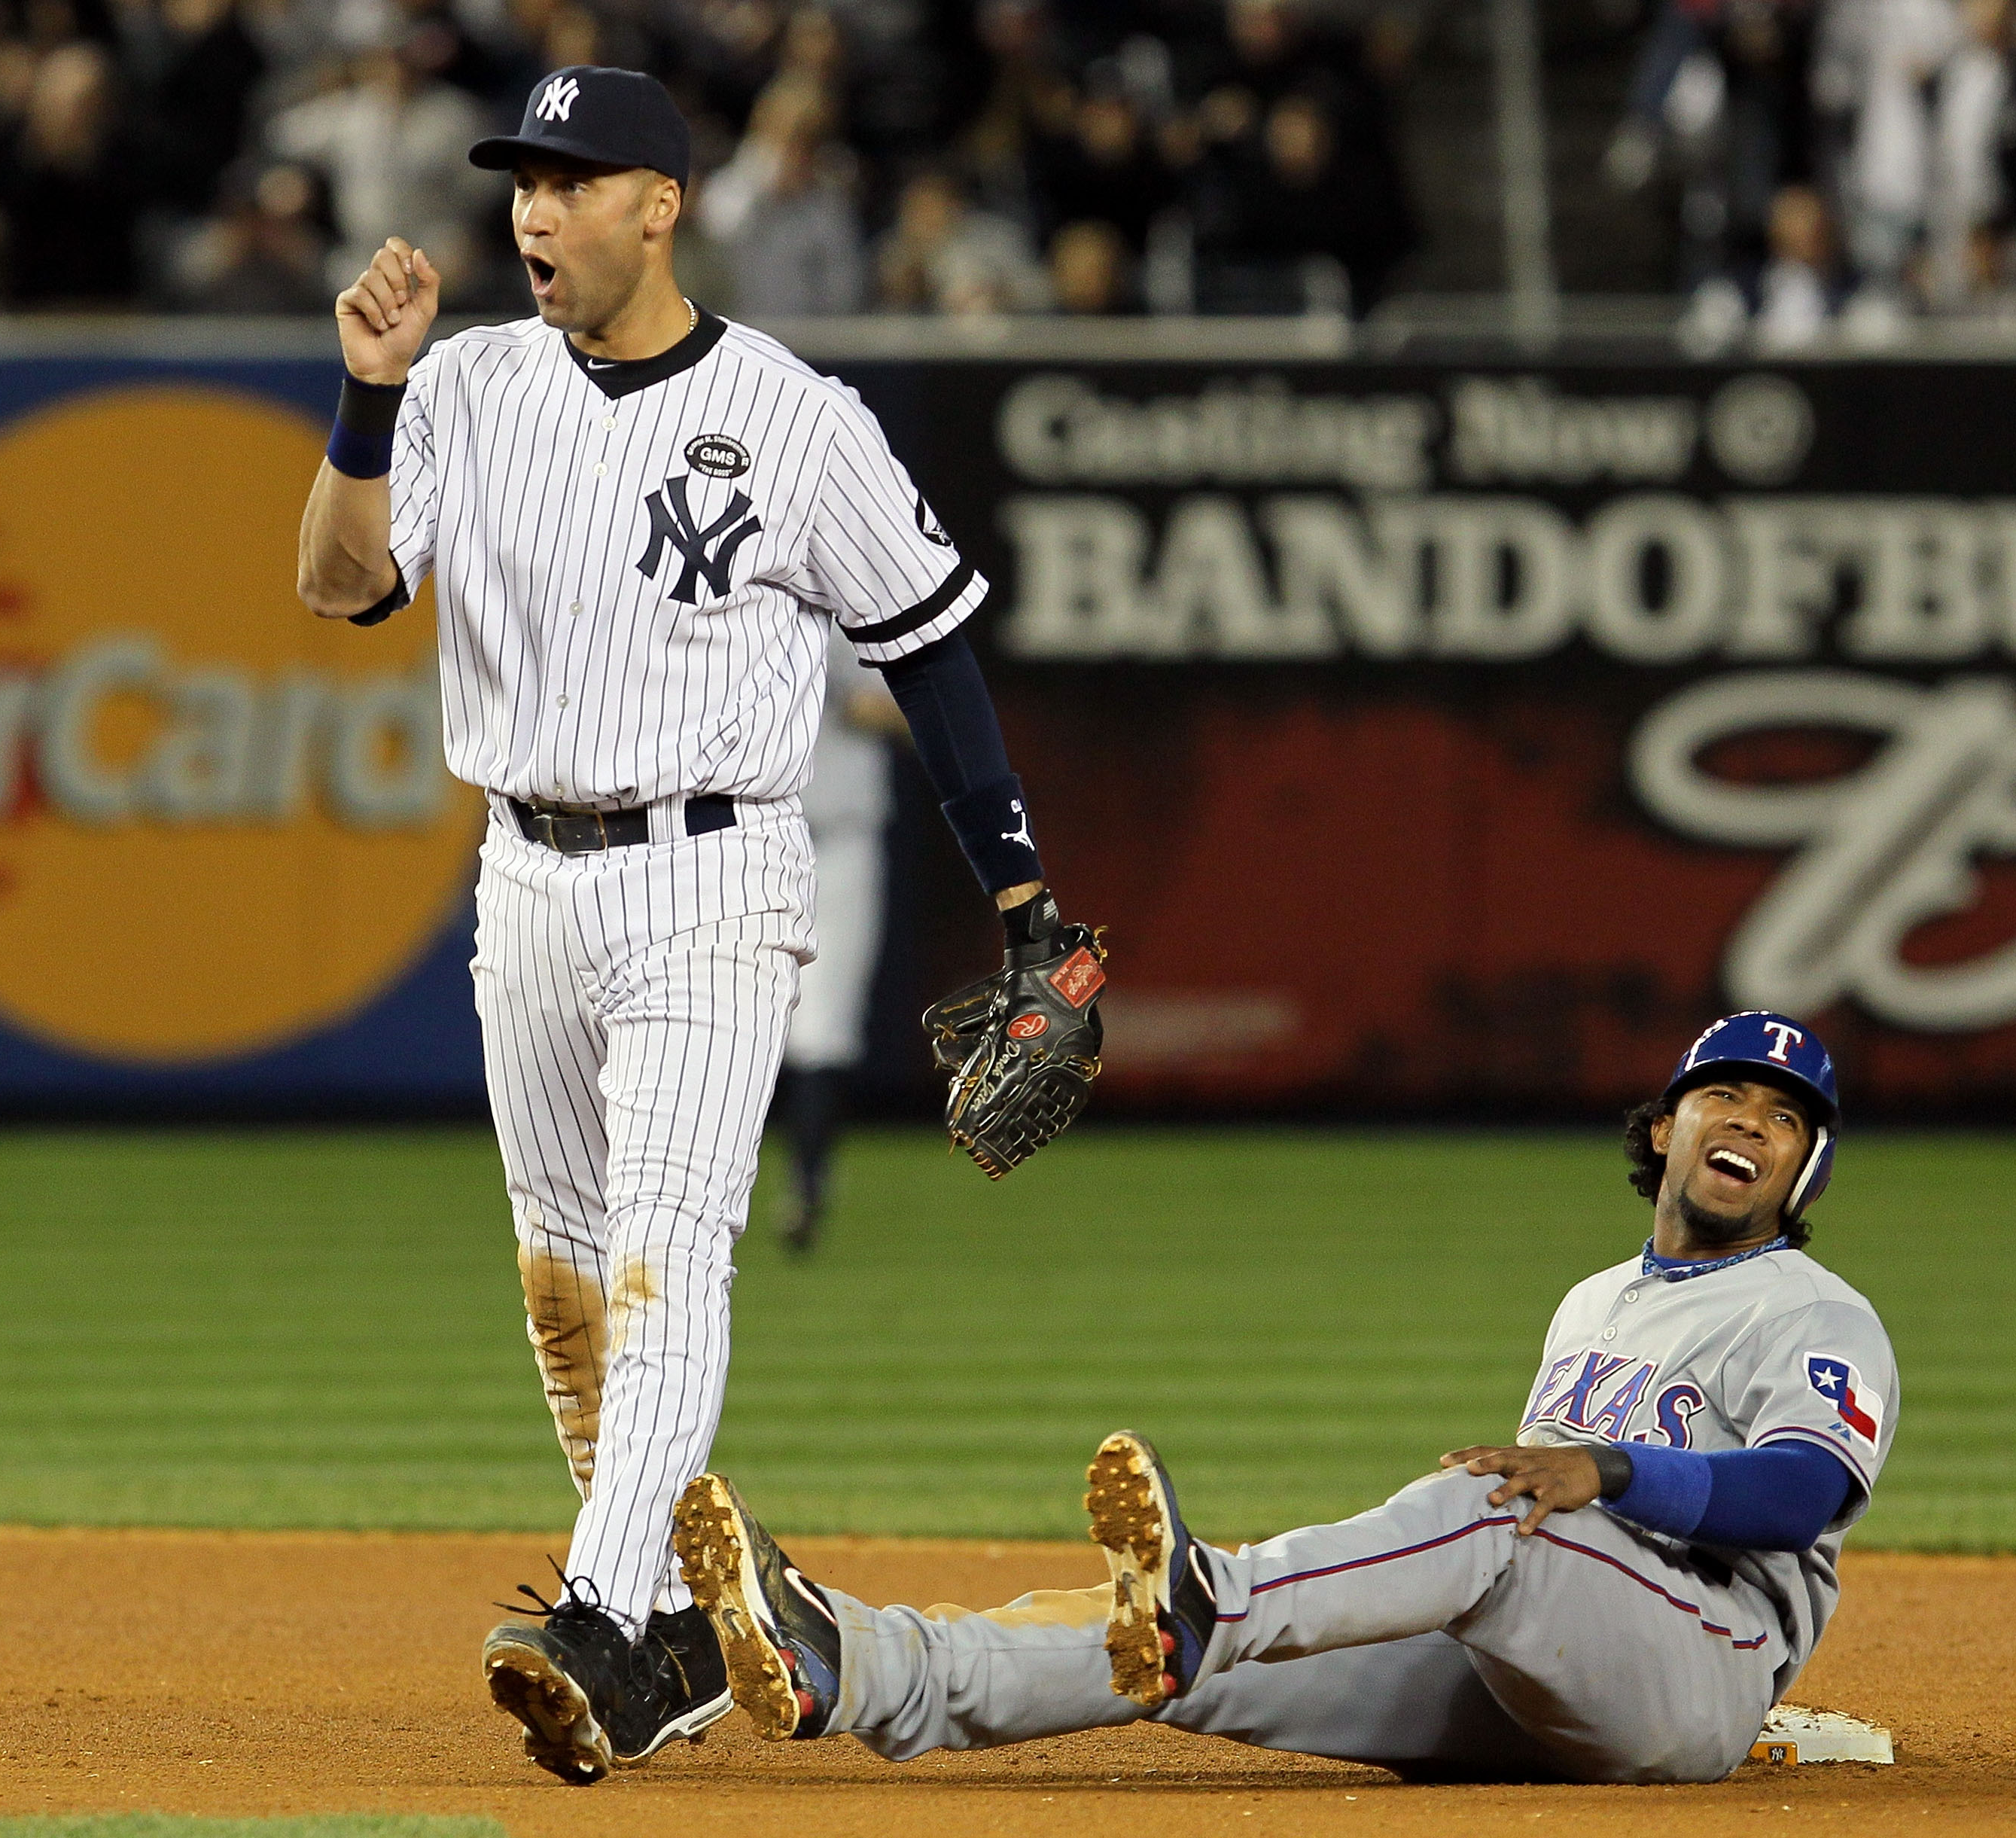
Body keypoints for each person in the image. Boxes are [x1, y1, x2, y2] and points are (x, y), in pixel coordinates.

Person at [293, 62, 1083, 1787]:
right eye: (523, 179)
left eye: (573, 181)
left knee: (669, 1243)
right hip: (525, 871)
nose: (533, 209)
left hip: (715, 872)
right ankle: (660, 1628)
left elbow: (928, 648)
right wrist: (365, 400)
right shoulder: (465, 384)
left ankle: (601, 1601)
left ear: (663, 204)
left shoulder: (795, 415)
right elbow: (342, 583)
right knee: (567, 1272)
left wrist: (1024, 900)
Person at [675, 1011, 1897, 1786]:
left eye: (1787, 1119)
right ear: (1669, 1126)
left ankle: (1213, 1597)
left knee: (1489, 1508)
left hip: (1702, 1666)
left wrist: (1613, 1473)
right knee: (1154, 1650)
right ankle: (857, 1667)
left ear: (1806, 1173)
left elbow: (1799, 1494)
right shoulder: (1594, 1304)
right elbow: (1547, 1562)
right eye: (1726, 1097)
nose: (1752, 1121)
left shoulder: (1812, 1312)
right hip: (1556, 1665)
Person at [778, 623, 901, 1254]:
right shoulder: (730, 592)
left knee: (825, 1026)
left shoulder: (850, 610)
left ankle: (807, 1185)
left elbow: (895, 707)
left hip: (842, 838)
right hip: (754, 841)